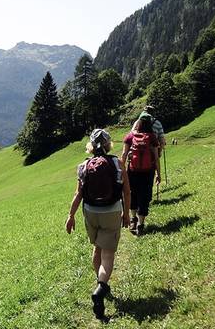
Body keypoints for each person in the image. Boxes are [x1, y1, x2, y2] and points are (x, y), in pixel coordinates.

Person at [66, 129, 131, 321]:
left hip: (90, 212)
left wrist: (71, 216)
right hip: (111, 211)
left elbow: (78, 194)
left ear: (91, 147)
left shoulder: (83, 166)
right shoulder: (117, 163)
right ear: (109, 144)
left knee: (97, 248)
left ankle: (99, 281)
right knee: (108, 254)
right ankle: (101, 288)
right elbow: (127, 192)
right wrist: (126, 213)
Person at [123, 114, 162, 235]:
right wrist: (158, 174)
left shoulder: (130, 136)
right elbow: (156, 158)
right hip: (147, 172)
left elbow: (124, 155)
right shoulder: (152, 137)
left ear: (138, 124)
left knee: (132, 194)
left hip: (132, 171)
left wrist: (121, 171)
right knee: (144, 196)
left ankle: (133, 219)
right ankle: (140, 225)